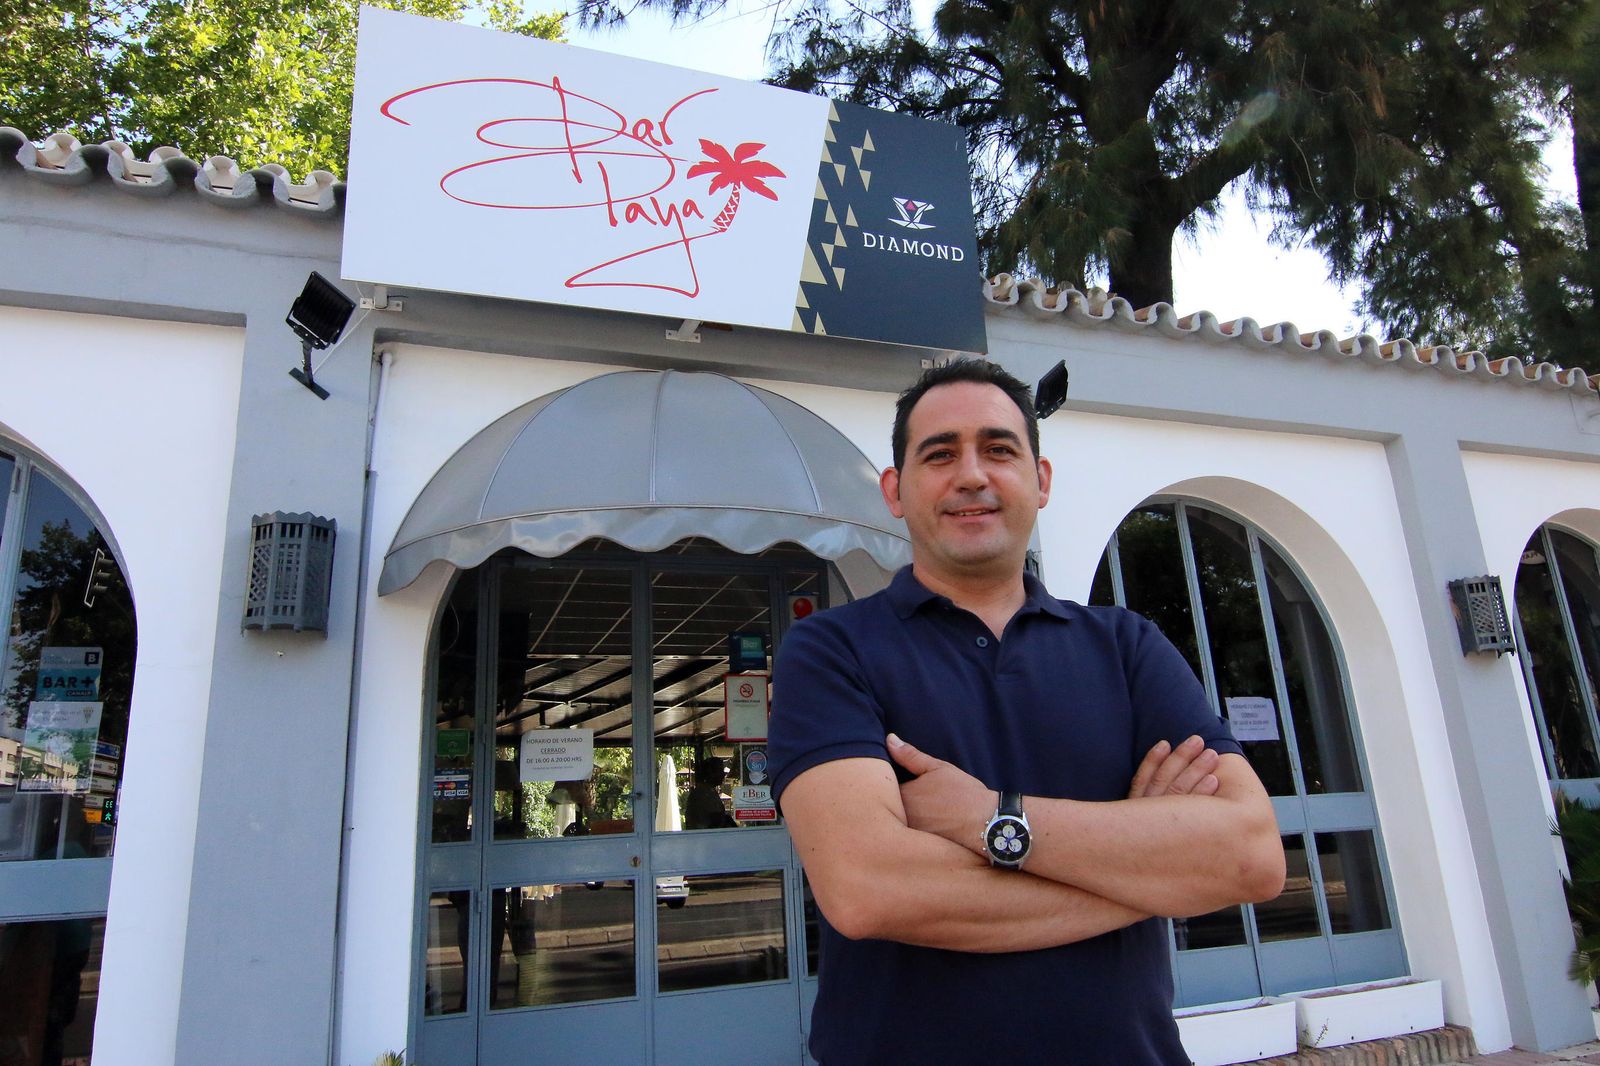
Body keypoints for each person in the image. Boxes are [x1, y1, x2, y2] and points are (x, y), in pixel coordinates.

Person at [768, 359, 1285, 1065]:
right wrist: (1149, 878)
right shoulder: (830, 650)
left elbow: (1249, 856)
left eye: (1000, 449)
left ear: (1040, 481)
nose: (973, 474)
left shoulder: (1127, 646)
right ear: (895, 489)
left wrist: (987, 817)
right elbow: (868, 889)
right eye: (940, 453)